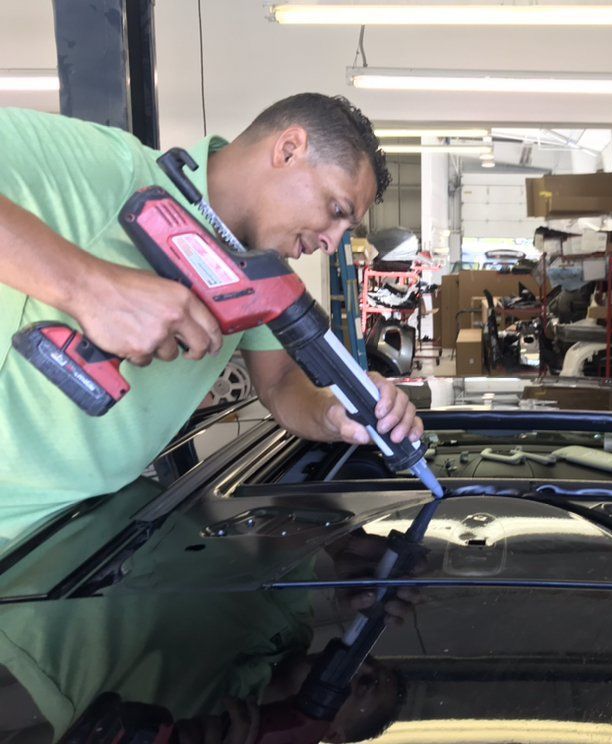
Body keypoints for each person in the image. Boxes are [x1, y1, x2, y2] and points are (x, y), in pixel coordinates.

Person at [0, 93, 423, 544]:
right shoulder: (116, 167)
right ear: (288, 149)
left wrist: (336, 412)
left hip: (69, 537)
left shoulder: (256, 273)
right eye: (336, 211)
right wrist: (90, 287)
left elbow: (280, 384)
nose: (332, 242)